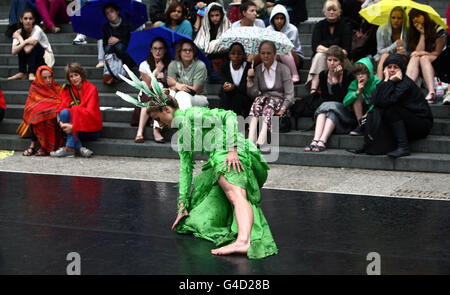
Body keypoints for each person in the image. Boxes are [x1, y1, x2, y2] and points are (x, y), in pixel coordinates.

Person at [138, 83, 278, 259]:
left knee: (236, 196)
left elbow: (229, 116)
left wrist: (232, 149)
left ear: (166, 109)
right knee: (210, 208)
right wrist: (182, 204)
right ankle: (242, 236)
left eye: (158, 118)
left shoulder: (191, 115)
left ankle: (243, 241)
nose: (159, 123)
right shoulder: (182, 135)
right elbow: (186, 169)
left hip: (229, 153)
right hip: (221, 155)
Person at [371, 54, 433, 157]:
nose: (392, 70)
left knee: (390, 109)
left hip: (421, 123)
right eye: (389, 67)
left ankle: (403, 147)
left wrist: (389, 82)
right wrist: (387, 80)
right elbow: (375, 100)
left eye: (395, 67)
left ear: (401, 70)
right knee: (378, 109)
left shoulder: (405, 84)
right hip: (405, 119)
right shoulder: (387, 81)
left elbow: (387, 101)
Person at [304, 45, 354, 152]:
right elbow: (325, 98)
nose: (332, 63)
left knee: (329, 106)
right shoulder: (323, 75)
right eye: (329, 60)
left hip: (344, 113)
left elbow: (343, 99)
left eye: (335, 60)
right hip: (330, 113)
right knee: (327, 110)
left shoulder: (347, 76)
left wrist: (335, 81)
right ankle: (318, 140)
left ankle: (321, 140)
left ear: (341, 62)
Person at [247, 41, 294, 147]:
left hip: (279, 105)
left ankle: (261, 138)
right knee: (258, 101)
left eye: (268, 53)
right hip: (263, 102)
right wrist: (249, 80)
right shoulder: (258, 69)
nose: (265, 56)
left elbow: (290, 95)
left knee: (271, 102)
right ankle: (250, 138)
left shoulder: (283, 69)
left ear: (274, 54)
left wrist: (283, 109)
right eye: (263, 53)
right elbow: (253, 93)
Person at [51, 63, 102, 158]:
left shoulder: (92, 89)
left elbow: (90, 113)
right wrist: (61, 123)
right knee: (64, 112)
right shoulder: (67, 89)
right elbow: (61, 108)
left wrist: (74, 127)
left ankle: (69, 148)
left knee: (75, 109)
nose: (74, 78)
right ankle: (79, 148)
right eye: (71, 76)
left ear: (81, 75)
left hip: (90, 129)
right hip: (71, 127)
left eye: (76, 75)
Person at [134, 37, 172, 144]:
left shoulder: (171, 64)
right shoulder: (144, 65)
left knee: (159, 94)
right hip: (147, 94)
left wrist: (164, 77)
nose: (158, 51)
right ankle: (140, 132)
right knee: (150, 99)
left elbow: (172, 84)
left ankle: (156, 130)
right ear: (151, 50)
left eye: (160, 48)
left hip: (164, 96)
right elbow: (148, 86)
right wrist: (156, 72)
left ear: (165, 50)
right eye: (155, 48)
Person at [306, 0, 352, 88]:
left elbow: (346, 50)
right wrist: (331, 51)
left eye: (334, 10)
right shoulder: (319, 25)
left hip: (341, 59)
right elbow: (316, 47)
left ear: (339, 12)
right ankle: (313, 88)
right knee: (320, 56)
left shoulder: (345, 26)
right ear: (324, 11)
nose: (331, 12)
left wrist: (331, 53)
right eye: (329, 10)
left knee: (331, 58)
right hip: (323, 57)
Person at [406, 9, 446, 104]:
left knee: (423, 57)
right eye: (413, 17)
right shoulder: (413, 31)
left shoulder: (437, 29)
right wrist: (422, 34)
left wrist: (423, 53)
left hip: (439, 61)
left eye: (418, 16)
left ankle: (432, 92)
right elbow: (417, 52)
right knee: (415, 57)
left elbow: (438, 52)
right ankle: (405, 88)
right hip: (421, 64)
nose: (415, 19)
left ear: (424, 16)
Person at [22, 65, 64, 156]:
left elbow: (61, 102)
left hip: (52, 117)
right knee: (34, 113)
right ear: (39, 78)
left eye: (50, 77)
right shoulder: (35, 88)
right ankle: (32, 145)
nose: (48, 80)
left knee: (49, 114)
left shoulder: (56, 88)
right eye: (44, 78)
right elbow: (29, 106)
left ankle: (44, 147)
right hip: (39, 117)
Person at [8, 9, 52, 81]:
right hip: (30, 59)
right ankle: (22, 72)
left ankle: (31, 73)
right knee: (21, 46)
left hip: (44, 58)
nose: (28, 21)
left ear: (33, 20)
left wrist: (20, 38)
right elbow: (13, 51)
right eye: (25, 18)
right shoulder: (18, 32)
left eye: (30, 18)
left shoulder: (37, 29)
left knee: (34, 45)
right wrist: (23, 40)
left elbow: (28, 50)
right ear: (21, 20)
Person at [167, 39, 209, 110]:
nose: (188, 52)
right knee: (169, 96)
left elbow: (195, 90)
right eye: (184, 50)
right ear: (179, 52)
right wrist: (178, 86)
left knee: (182, 95)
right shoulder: (173, 65)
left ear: (194, 52)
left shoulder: (200, 65)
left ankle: (184, 120)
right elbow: (172, 87)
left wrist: (176, 85)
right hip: (177, 95)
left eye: (190, 50)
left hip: (199, 97)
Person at [343, 57, 380, 136]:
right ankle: (361, 125)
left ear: (369, 73)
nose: (360, 76)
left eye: (363, 73)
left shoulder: (376, 82)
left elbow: (378, 102)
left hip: (374, 110)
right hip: (360, 111)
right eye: (357, 74)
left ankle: (365, 123)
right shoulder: (354, 83)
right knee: (356, 97)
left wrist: (368, 114)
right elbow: (345, 102)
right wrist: (358, 91)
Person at [267, 4, 304, 83]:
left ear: (286, 19)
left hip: (294, 57)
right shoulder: (268, 30)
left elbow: (290, 47)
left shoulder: (292, 29)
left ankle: (294, 74)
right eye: (277, 18)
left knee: (282, 48)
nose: (279, 21)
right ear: (273, 19)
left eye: (282, 18)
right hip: (275, 55)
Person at [194, 2, 231, 74]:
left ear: (222, 15)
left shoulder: (228, 27)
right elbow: (199, 44)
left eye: (217, 15)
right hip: (207, 63)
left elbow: (226, 44)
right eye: (212, 16)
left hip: (223, 62)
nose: (215, 18)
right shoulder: (205, 28)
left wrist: (211, 45)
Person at [219, 42, 253, 117]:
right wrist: (225, 85)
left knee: (238, 97)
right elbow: (223, 81)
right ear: (229, 55)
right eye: (233, 53)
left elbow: (245, 89)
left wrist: (234, 87)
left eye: (239, 54)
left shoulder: (248, 67)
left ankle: (239, 124)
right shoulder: (224, 66)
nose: (236, 56)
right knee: (226, 95)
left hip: (243, 98)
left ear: (243, 55)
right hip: (227, 95)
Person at [374, 6, 408, 80]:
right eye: (393, 17)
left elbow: (410, 51)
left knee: (403, 57)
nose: (396, 21)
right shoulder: (382, 30)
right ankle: (379, 81)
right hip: (384, 57)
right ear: (390, 18)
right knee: (385, 55)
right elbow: (380, 51)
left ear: (403, 19)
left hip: (401, 58)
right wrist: (394, 45)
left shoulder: (407, 31)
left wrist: (404, 52)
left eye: (399, 18)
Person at [102, 2, 136, 69]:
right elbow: (104, 45)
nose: (110, 14)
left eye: (112, 11)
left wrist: (119, 39)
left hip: (126, 50)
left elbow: (132, 41)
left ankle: (127, 67)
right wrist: (109, 42)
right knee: (107, 48)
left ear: (117, 12)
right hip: (112, 50)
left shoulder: (127, 24)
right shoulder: (106, 27)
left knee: (119, 46)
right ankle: (113, 69)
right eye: (107, 13)